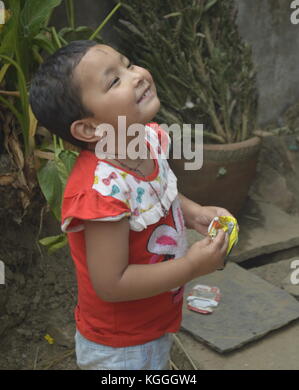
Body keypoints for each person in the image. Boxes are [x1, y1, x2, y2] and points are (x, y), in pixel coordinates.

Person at [29, 40, 230, 370]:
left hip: (153, 324)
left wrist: (194, 212)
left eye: (129, 64)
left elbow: (153, 191)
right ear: (90, 128)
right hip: (121, 347)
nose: (136, 76)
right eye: (114, 81)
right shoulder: (101, 194)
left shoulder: (145, 138)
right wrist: (192, 267)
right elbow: (111, 283)